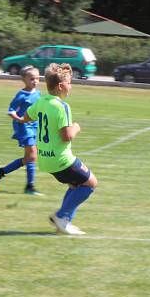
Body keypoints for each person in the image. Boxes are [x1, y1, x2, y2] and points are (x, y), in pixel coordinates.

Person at [22, 63, 98, 235]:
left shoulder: (42, 101)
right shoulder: (62, 106)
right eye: (70, 83)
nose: (71, 86)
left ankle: (63, 223)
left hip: (45, 158)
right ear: (61, 86)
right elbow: (67, 136)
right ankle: (61, 215)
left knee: (75, 185)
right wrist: (77, 126)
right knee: (91, 183)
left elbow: (27, 117)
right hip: (60, 158)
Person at [0, 66, 42, 195]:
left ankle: (1, 171)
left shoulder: (38, 93)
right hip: (24, 127)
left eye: (37, 78)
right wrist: (20, 120)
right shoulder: (21, 95)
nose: (35, 81)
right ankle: (29, 187)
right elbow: (11, 111)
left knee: (30, 157)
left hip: (35, 126)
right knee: (32, 155)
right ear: (24, 80)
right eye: (32, 79)